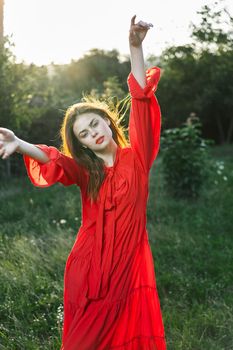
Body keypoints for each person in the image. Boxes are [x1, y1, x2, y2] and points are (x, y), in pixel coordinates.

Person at [0, 15, 167, 350]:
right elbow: (55, 161)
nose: (94, 133)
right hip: (87, 267)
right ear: (83, 144)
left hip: (125, 265)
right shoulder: (86, 172)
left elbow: (141, 102)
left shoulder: (137, 157)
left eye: (95, 124)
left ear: (107, 120)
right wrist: (20, 144)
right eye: (85, 134)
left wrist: (135, 49)